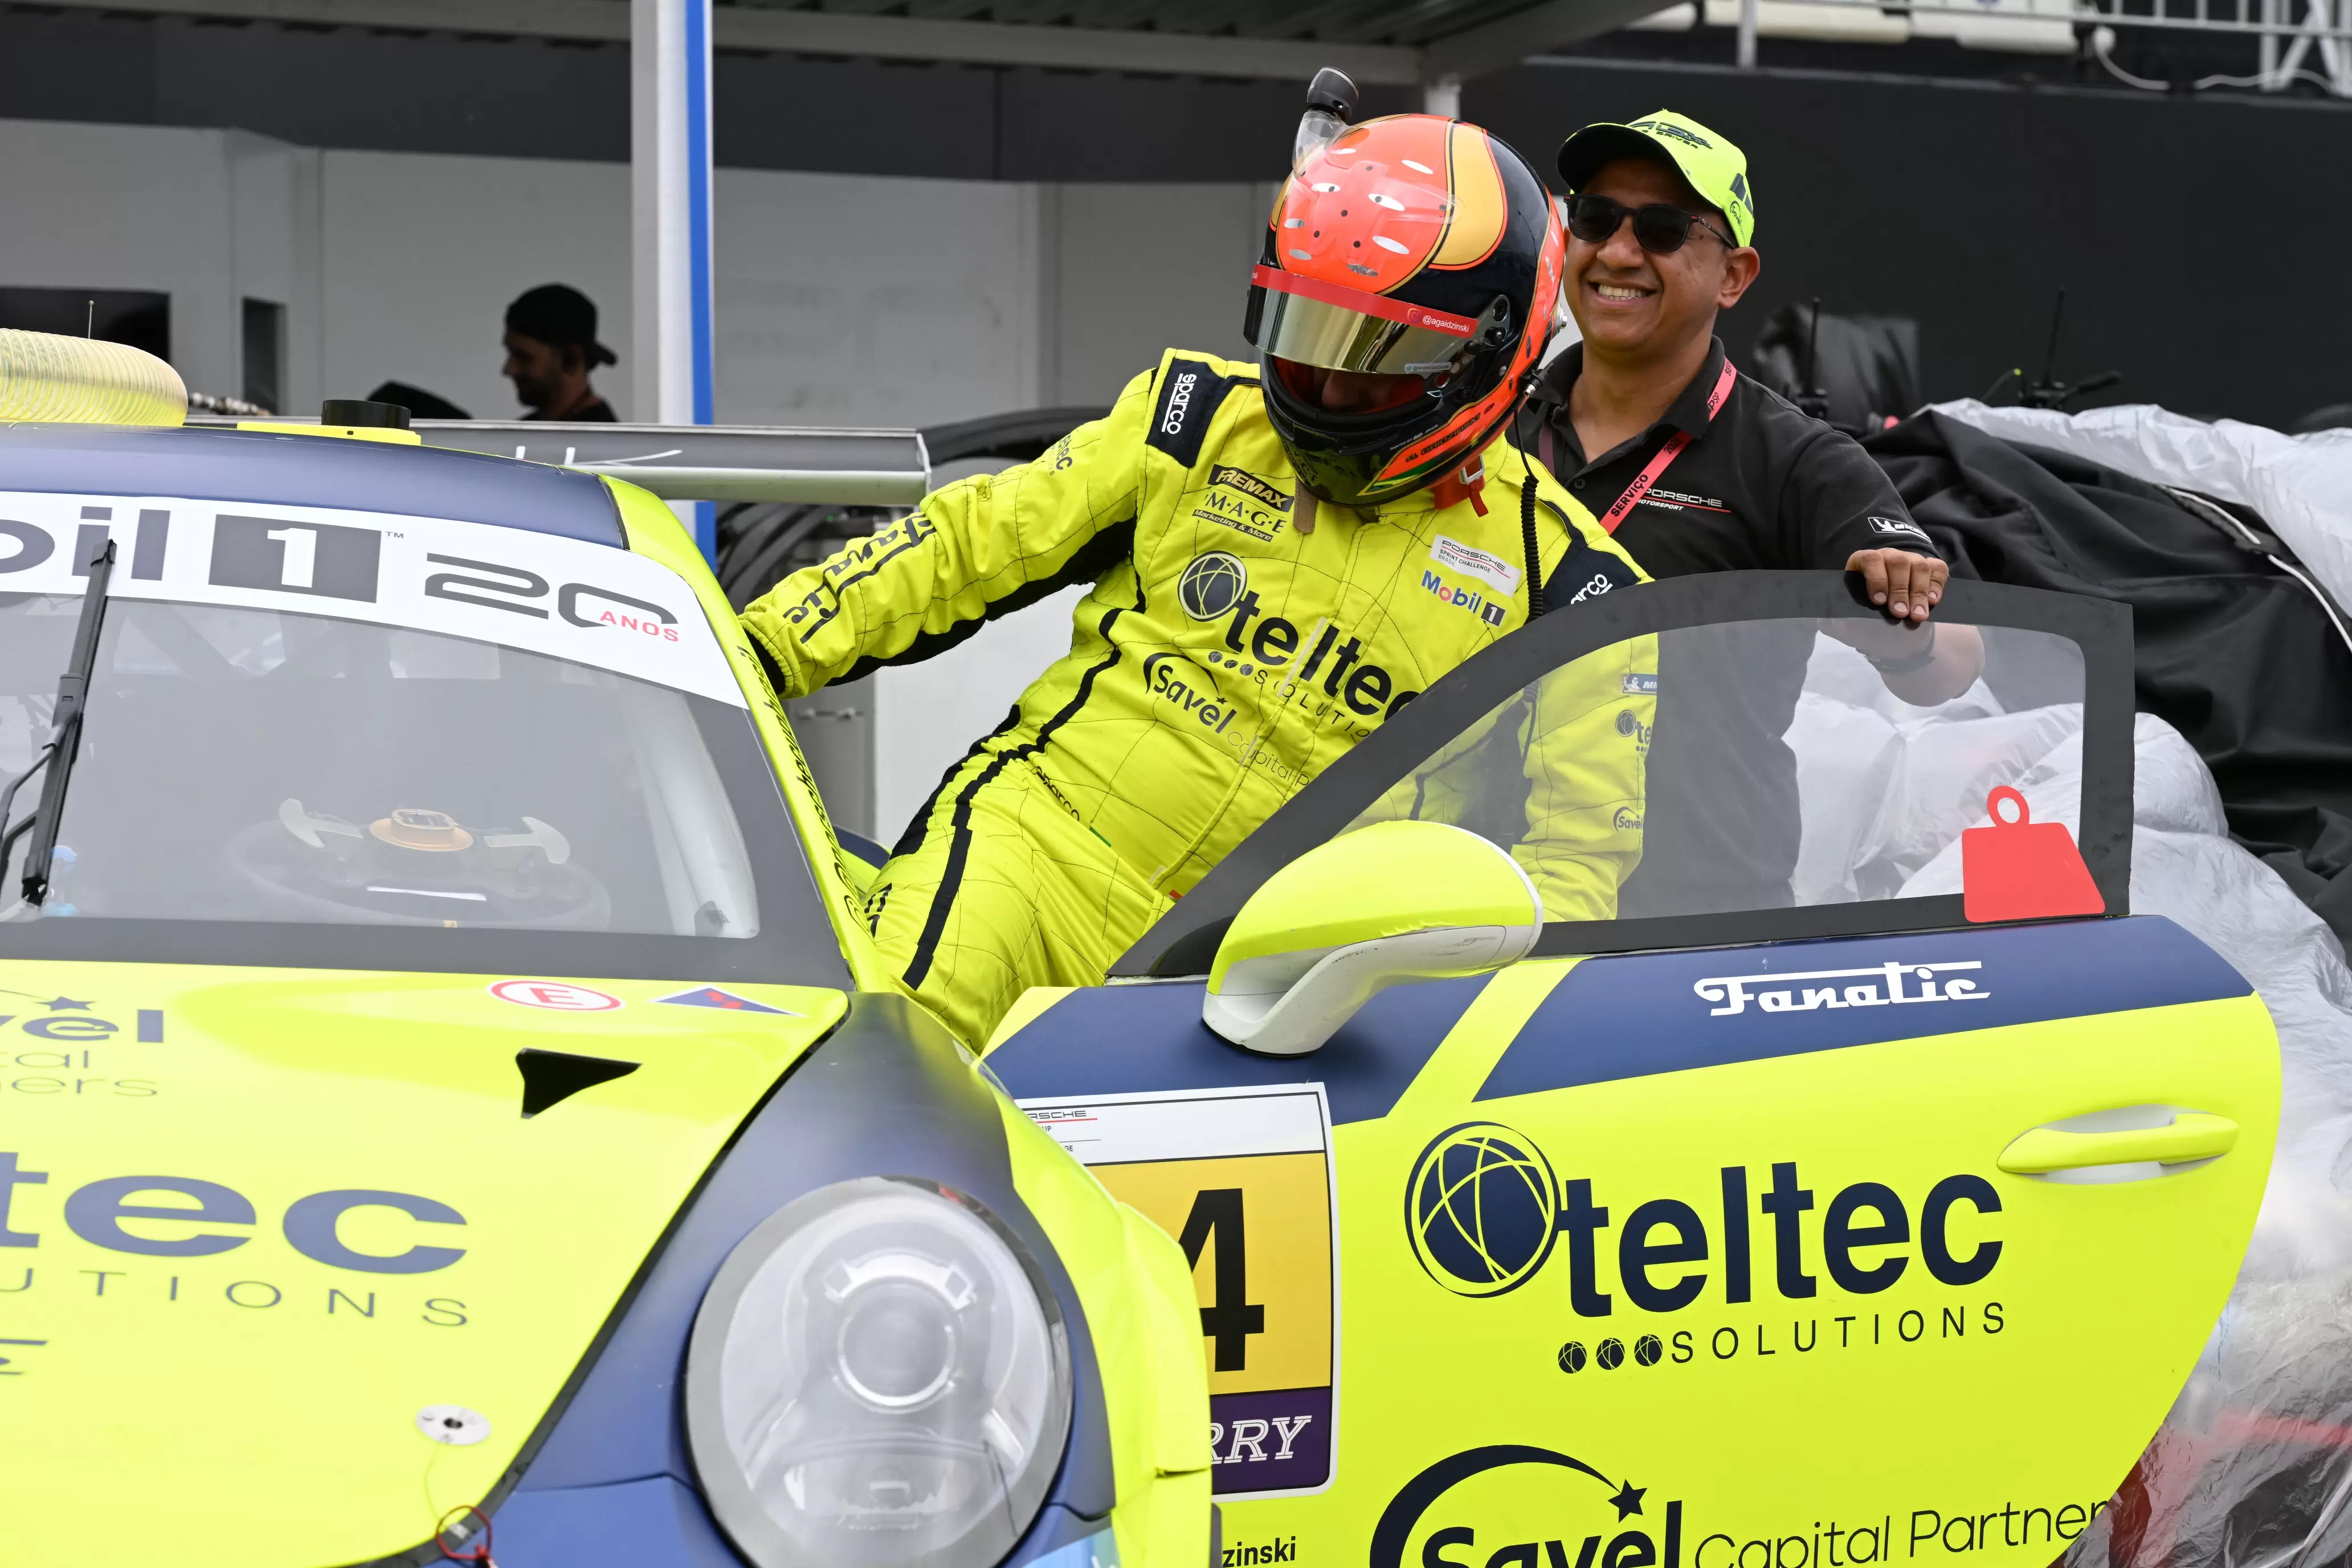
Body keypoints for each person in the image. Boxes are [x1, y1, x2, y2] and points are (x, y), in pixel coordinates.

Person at [743, 111, 1649, 1049]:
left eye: (1377, 359)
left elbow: (1572, 878)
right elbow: (963, 546)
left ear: (1486, 358)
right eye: (1309, 333)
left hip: (1292, 977)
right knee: (877, 1063)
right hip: (1036, 856)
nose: (1330, 389)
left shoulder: (1575, 590)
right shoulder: (1193, 416)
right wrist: (749, 654)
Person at [1522, 110, 1984, 917]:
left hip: (1697, 921)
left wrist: (1896, 631)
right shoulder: (1495, 419)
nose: (1620, 253)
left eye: (1664, 231)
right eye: (1596, 219)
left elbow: (1957, 656)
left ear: (1734, 276)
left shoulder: (1797, 459)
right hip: (1485, 889)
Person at [501, 284, 618, 421]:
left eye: (524, 357)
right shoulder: (526, 431)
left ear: (571, 359)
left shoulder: (601, 440)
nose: (508, 370)